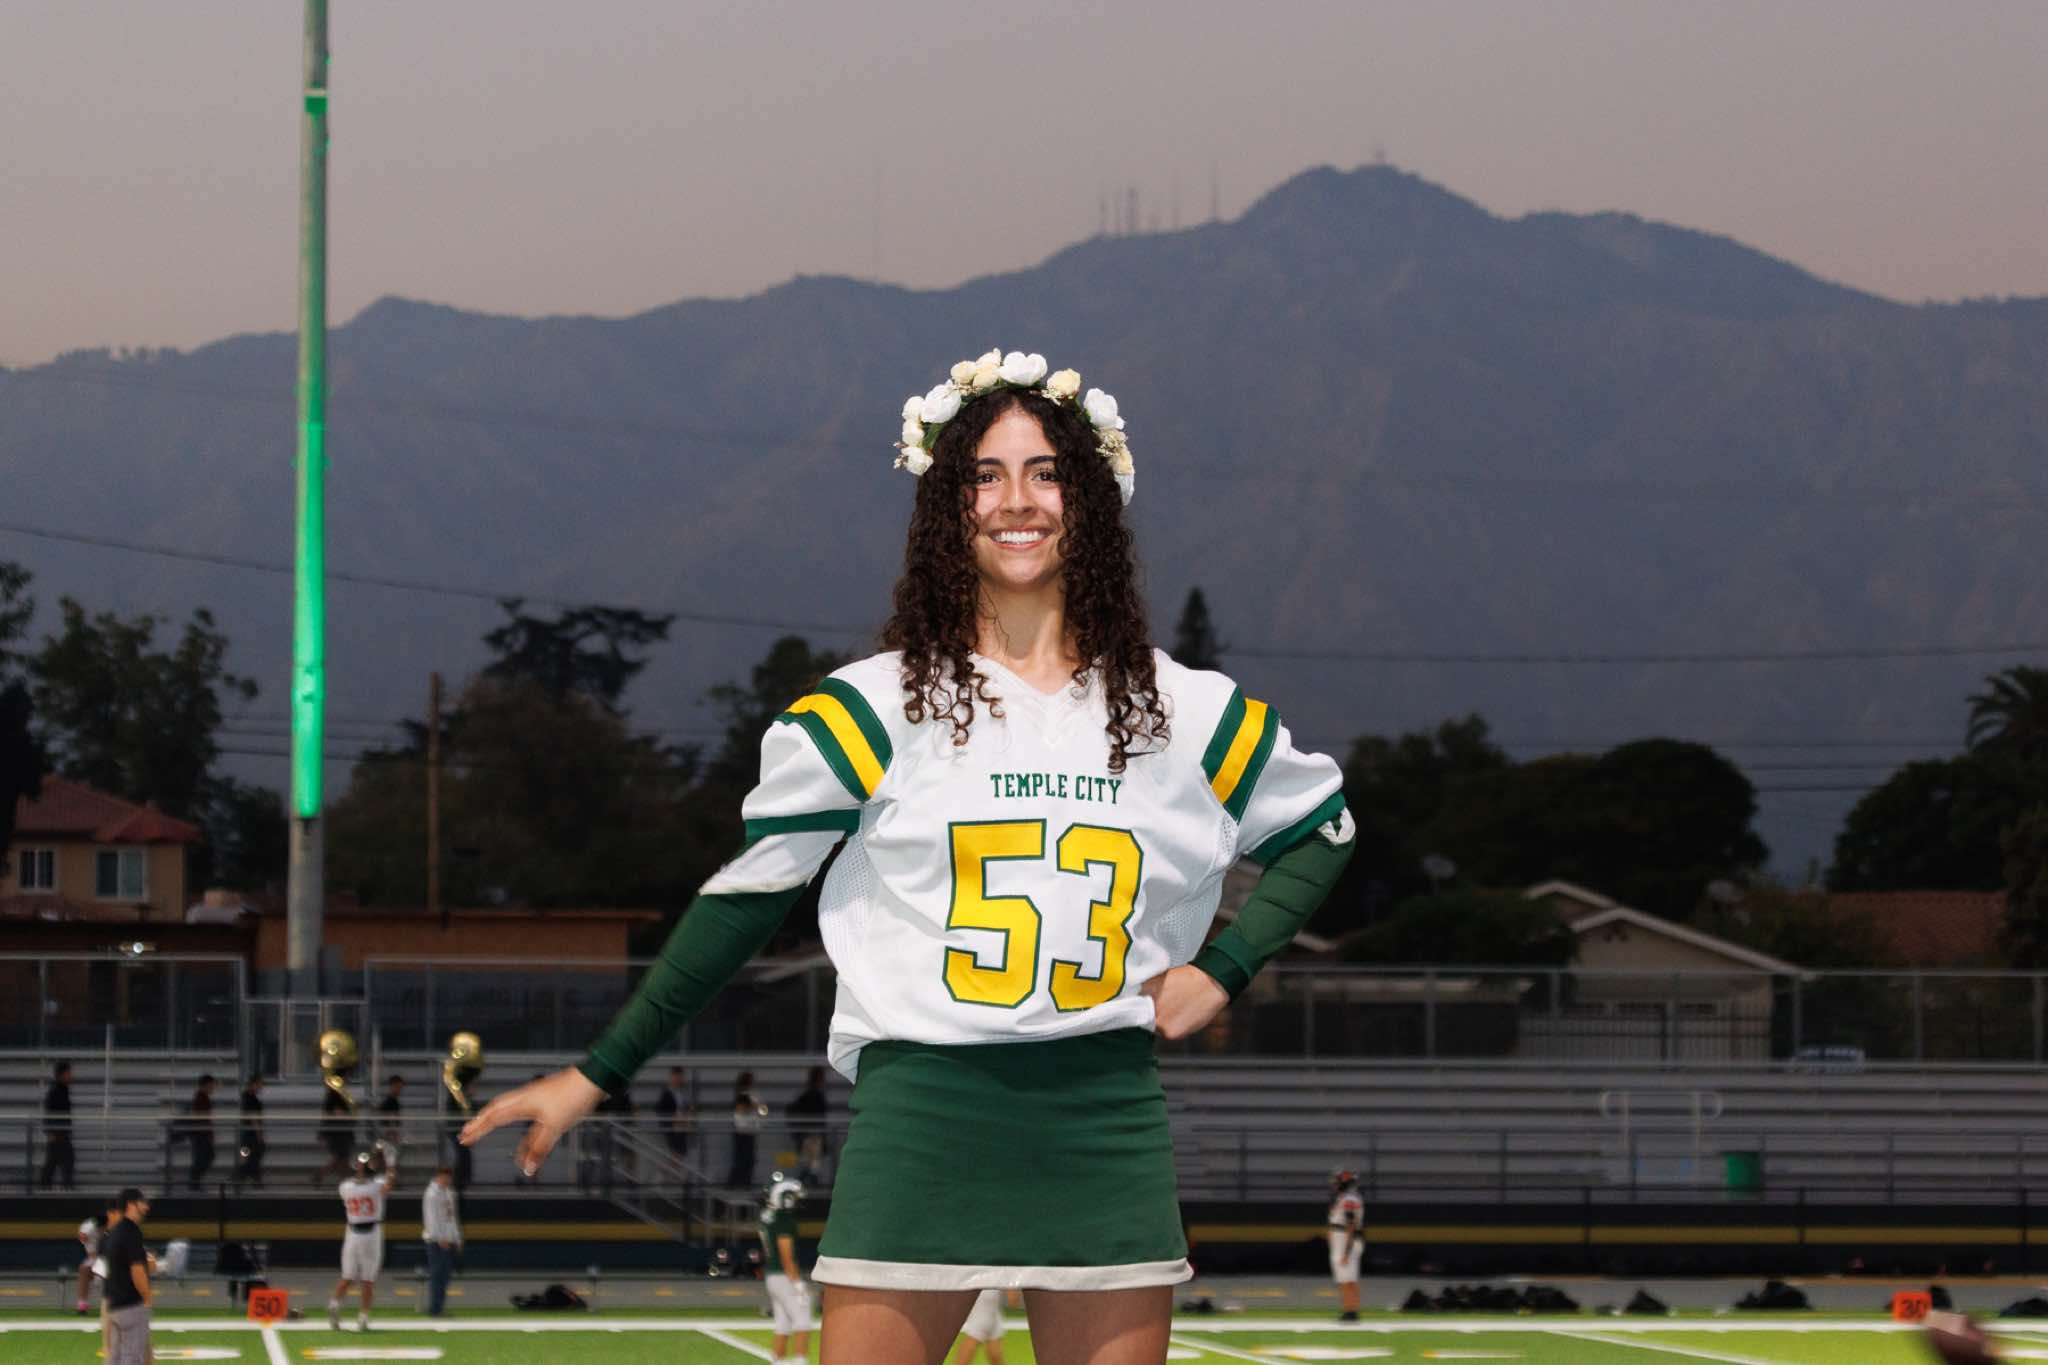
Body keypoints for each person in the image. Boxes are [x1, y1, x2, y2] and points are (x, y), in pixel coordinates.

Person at [462, 349, 1354, 1364]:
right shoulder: (873, 707)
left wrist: (1223, 968)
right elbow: (747, 900)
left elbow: (1320, 831)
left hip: (1102, 1115)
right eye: (984, 475)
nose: (1015, 501)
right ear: (945, 506)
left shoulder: (1183, 709)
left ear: (1092, 497)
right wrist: (599, 1071)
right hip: (924, 1111)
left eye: (1046, 472)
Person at [328, 1147, 397, 1332]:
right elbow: (389, 1182)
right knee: (366, 1280)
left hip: (353, 1232)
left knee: (349, 1277)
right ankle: (362, 1316)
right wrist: (390, 1163)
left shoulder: (345, 1187)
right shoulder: (375, 1185)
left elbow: (382, 1183)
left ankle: (335, 1305)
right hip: (370, 1233)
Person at [758, 1171, 811, 1365]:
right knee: (803, 1321)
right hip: (783, 1276)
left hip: (772, 1275)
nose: (795, 1201)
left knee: (783, 1324)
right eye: (793, 1197)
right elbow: (786, 1257)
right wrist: (797, 1283)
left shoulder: (767, 1217)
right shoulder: (783, 1220)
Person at [101, 1187, 152, 1365]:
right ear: (131, 1205)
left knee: (115, 1358)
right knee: (132, 1358)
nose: (146, 1207)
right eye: (142, 1203)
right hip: (131, 1305)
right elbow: (136, 1270)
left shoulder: (114, 1232)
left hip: (115, 1306)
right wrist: (147, 1297)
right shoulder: (131, 1232)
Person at [421, 1165, 462, 1317]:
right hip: (436, 1241)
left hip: (449, 1239)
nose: (447, 1180)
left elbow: (452, 1218)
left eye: (449, 1177)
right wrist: (439, 1238)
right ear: (438, 1176)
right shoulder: (432, 1194)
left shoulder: (449, 1193)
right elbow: (431, 1218)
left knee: (445, 1277)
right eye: (445, 1176)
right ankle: (435, 1308)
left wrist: (457, 1237)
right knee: (437, 1275)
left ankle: (440, 1306)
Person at [1327, 1169, 1364, 1321]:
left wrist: (1346, 1252)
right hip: (1340, 1239)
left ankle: (1352, 1311)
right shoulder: (1344, 1198)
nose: (1334, 1184)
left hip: (1345, 1240)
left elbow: (1351, 1225)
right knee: (1344, 1279)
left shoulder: (1350, 1199)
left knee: (1348, 1278)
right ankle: (1348, 1309)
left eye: (1337, 1181)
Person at [950, 1289, 1018, 1365]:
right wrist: (1011, 1289)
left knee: (994, 1350)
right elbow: (1013, 1299)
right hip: (985, 1301)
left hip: (992, 1305)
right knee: (973, 1339)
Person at [787, 1065, 829, 1183]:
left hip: (811, 1131)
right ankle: (808, 1181)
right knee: (811, 1161)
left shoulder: (810, 1093)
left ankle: (808, 1180)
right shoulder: (812, 1094)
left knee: (810, 1161)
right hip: (812, 1132)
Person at [41, 1060, 75, 1190]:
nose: (70, 1076)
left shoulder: (62, 1090)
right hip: (58, 1134)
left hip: (60, 1133)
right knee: (64, 1161)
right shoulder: (56, 1091)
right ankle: (65, 1189)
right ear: (61, 1075)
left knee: (54, 1162)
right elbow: (49, 1112)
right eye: (68, 1073)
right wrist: (51, 1132)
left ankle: (46, 1188)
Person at [728, 1071, 765, 1189]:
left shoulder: (752, 1095)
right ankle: (734, 1184)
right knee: (741, 1160)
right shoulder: (742, 1095)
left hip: (750, 1131)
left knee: (748, 1160)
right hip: (742, 1131)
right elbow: (742, 1109)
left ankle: (745, 1183)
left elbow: (761, 1110)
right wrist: (754, 1106)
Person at [314, 1085, 354, 1186]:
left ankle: (323, 1175)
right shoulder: (335, 1098)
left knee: (341, 1159)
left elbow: (327, 1117)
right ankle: (321, 1175)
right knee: (340, 1159)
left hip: (339, 1132)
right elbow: (338, 1114)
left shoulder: (333, 1098)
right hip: (338, 1132)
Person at [653, 1066, 693, 1166]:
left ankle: (671, 1172)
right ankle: (666, 1173)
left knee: (680, 1156)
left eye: (680, 1077)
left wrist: (687, 1113)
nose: (678, 1079)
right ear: (671, 1077)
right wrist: (673, 1117)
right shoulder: (666, 1093)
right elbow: (659, 1109)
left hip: (681, 1128)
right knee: (675, 1156)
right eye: (676, 1077)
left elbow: (684, 1108)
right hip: (672, 1129)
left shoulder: (682, 1093)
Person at [186, 1075, 217, 1189]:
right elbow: (202, 1117)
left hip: (201, 1132)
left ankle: (195, 1182)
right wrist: (209, 1133)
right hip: (200, 1133)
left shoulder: (201, 1097)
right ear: (206, 1085)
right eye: (212, 1085)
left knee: (204, 1156)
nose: (213, 1088)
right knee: (204, 1156)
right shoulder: (201, 1098)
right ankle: (194, 1182)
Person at [235, 1077, 266, 1187]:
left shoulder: (248, 1097)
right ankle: (244, 1176)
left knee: (254, 1156)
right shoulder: (250, 1098)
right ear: (253, 1084)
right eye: (259, 1085)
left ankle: (250, 1178)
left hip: (249, 1132)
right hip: (250, 1133)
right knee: (255, 1155)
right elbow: (253, 1117)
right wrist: (259, 1134)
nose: (260, 1087)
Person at [75, 1205, 104, 1314]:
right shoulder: (86, 1231)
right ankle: (82, 1304)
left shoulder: (117, 1227)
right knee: (84, 1269)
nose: (100, 1230)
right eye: (99, 1227)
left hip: (116, 1257)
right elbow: (92, 1254)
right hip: (97, 1256)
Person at [376, 1076, 405, 1154]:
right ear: (392, 1086)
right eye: (398, 1087)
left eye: (400, 1088)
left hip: (390, 1134)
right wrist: (393, 1133)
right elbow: (389, 1119)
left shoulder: (393, 1101)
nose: (399, 1090)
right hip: (388, 1134)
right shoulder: (389, 1102)